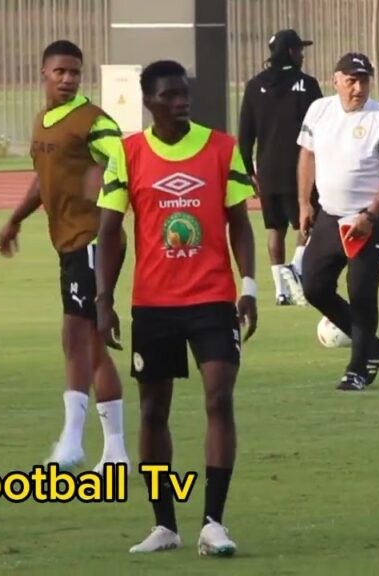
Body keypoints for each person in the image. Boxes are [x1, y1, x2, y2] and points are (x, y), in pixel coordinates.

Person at [94, 59, 258, 557]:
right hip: (154, 302)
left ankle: (214, 523)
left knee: (218, 398)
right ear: (149, 102)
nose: (180, 101)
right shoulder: (128, 154)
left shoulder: (221, 148)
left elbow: (240, 225)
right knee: (152, 410)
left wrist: (248, 285)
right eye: (169, 95)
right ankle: (165, 526)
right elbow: (109, 232)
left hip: (211, 297)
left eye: (184, 92)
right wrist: (105, 300)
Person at [0, 40, 131, 474]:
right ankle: (111, 451)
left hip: (93, 241)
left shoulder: (92, 120)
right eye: (61, 72)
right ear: (44, 73)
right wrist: (15, 219)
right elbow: (43, 180)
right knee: (80, 341)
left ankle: (79, 445)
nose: (69, 79)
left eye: (74, 72)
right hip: (71, 243)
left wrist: (105, 186)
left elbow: (126, 160)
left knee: (82, 340)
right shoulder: (43, 122)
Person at [296, 52, 379, 392]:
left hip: (366, 218)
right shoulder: (320, 110)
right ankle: (370, 344)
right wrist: (304, 202)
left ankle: (358, 367)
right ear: (336, 81)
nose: (358, 88)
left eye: (364, 81)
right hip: (330, 215)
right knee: (313, 286)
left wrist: (370, 215)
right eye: (351, 80)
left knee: (360, 293)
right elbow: (307, 154)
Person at [238, 28, 323, 306]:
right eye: (299, 50)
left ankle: (280, 291)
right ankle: (295, 270)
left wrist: (249, 172)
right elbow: (321, 129)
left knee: (274, 229)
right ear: (290, 52)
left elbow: (245, 135)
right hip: (299, 170)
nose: (302, 55)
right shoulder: (307, 85)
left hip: (266, 171)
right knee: (308, 222)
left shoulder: (254, 86)